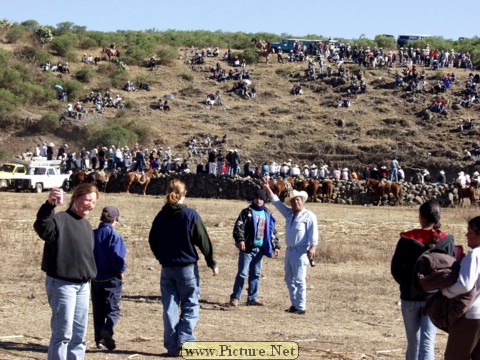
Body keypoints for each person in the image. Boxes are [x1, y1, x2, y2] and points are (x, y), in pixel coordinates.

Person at [148, 179, 218, 357]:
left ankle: (172, 347)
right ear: (184, 194)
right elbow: (203, 240)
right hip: (186, 268)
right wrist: (211, 262)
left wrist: (161, 256)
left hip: (167, 268)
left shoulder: (160, 216)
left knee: (170, 307)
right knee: (190, 305)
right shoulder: (190, 215)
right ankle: (186, 341)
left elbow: (152, 240)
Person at [33, 184, 99, 360]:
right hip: (62, 285)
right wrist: (49, 205)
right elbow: (43, 228)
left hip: (83, 286)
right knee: (63, 335)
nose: (90, 205)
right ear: (76, 197)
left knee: (79, 336)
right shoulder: (60, 219)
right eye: (87, 199)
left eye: (94, 201)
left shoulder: (86, 226)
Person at [391, 200, 455, 360]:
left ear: (421, 217)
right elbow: (451, 269)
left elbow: (396, 269)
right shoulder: (446, 241)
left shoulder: (406, 239)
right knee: (428, 342)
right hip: (434, 298)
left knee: (413, 342)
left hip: (410, 296)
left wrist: (409, 285)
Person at [261, 184, 318, 315]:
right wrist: (267, 188)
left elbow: (313, 234)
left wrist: (313, 247)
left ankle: (301, 306)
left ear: (302, 201)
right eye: (293, 201)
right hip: (290, 251)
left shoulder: (309, 216)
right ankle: (294, 304)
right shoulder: (290, 214)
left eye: (297, 200)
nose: (295, 202)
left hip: (301, 251)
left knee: (299, 279)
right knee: (289, 279)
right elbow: (277, 203)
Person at [229, 188, 280, 307]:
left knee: (256, 274)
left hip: (259, 249)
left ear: (264, 200)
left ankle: (252, 298)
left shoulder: (267, 214)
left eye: (261, 199)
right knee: (242, 273)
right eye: (257, 198)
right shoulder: (246, 212)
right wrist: (241, 240)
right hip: (247, 249)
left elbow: (271, 231)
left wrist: (275, 245)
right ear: (253, 199)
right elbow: (239, 227)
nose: (259, 201)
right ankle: (235, 297)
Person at [442, 216, 480, 359]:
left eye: (470, 231)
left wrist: (447, 291)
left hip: (472, 316)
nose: (466, 235)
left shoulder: (474, 256)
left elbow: (465, 284)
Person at [91, 206, 126, 351]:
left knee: (98, 310)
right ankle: (107, 329)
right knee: (113, 309)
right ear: (114, 220)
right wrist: (120, 271)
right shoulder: (114, 236)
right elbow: (117, 257)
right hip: (111, 278)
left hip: (95, 277)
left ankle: (99, 340)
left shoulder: (92, 234)